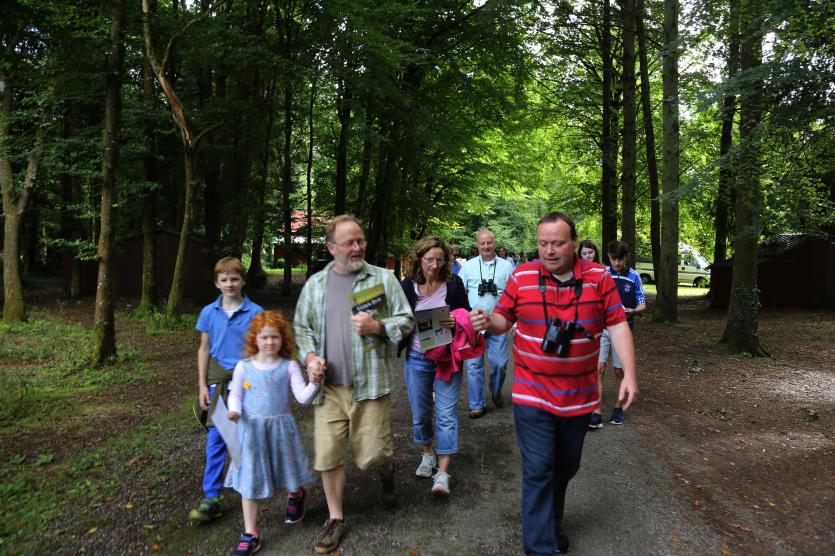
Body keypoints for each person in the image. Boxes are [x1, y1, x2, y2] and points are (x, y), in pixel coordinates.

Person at [469, 212, 638, 555]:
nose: (548, 250)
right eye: (543, 243)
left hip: (578, 398)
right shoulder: (522, 276)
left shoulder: (598, 279)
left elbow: (618, 324)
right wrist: (490, 321)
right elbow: (505, 318)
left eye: (557, 243)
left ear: (575, 243)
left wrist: (630, 375)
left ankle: (551, 524)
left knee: (565, 467)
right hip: (532, 393)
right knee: (538, 469)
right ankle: (540, 547)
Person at [293, 215, 414, 555]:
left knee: (374, 454)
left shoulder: (383, 278)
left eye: (360, 240)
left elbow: (406, 321)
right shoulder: (315, 285)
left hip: (370, 386)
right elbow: (301, 329)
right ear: (332, 248)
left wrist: (378, 326)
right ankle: (336, 518)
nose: (358, 247)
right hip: (328, 387)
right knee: (328, 454)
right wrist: (310, 357)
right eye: (350, 242)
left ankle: (387, 472)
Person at [225, 311, 322, 555]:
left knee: (286, 469)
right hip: (251, 433)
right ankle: (250, 533)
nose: (270, 342)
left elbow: (301, 398)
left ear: (283, 339)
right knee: (249, 480)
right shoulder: (243, 367)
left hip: (280, 431)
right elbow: (235, 394)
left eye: (275, 337)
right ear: (254, 339)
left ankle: (296, 494)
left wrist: (315, 383)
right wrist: (234, 410)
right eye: (264, 337)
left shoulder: (288, 366)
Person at [190, 257, 264, 523]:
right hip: (218, 381)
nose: (230, 284)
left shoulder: (256, 312)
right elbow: (204, 349)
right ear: (216, 283)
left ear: (243, 281)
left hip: (247, 381)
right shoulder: (209, 313)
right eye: (224, 279)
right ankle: (212, 496)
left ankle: (254, 484)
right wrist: (201, 384)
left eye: (234, 279)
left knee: (249, 435)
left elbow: (263, 350)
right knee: (217, 439)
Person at [398, 236, 470, 495]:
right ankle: (427, 453)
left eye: (440, 260)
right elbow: (395, 318)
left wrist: (455, 320)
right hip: (417, 357)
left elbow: (467, 314)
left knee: (447, 414)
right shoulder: (407, 286)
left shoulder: (453, 284)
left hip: (447, 358)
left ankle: (443, 472)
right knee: (420, 412)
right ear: (419, 259)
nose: (435, 265)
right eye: (430, 260)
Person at [457, 229, 515, 418]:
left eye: (489, 242)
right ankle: (477, 404)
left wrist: (515, 321)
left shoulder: (506, 266)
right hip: (474, 324)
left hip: (498, 321)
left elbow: (515, 295)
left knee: (499, 363)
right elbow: (458, 291)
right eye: (483, 243)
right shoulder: (468, 267)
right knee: (473, 365)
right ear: (477, 245)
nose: (486, 246)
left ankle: (496, 389)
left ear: (495, 243)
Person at [591, 240, 646, 429]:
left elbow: (642, 303)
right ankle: (596, 412)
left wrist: (633, 310)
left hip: (623, 330)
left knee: (618, 371)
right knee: (598, 368)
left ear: (626, 257)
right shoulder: (602, 274)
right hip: (602, 329)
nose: (617, 263)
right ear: (608, 256)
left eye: (620, 258)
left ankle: (617, 408)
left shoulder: (635, 277)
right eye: (613, 258)